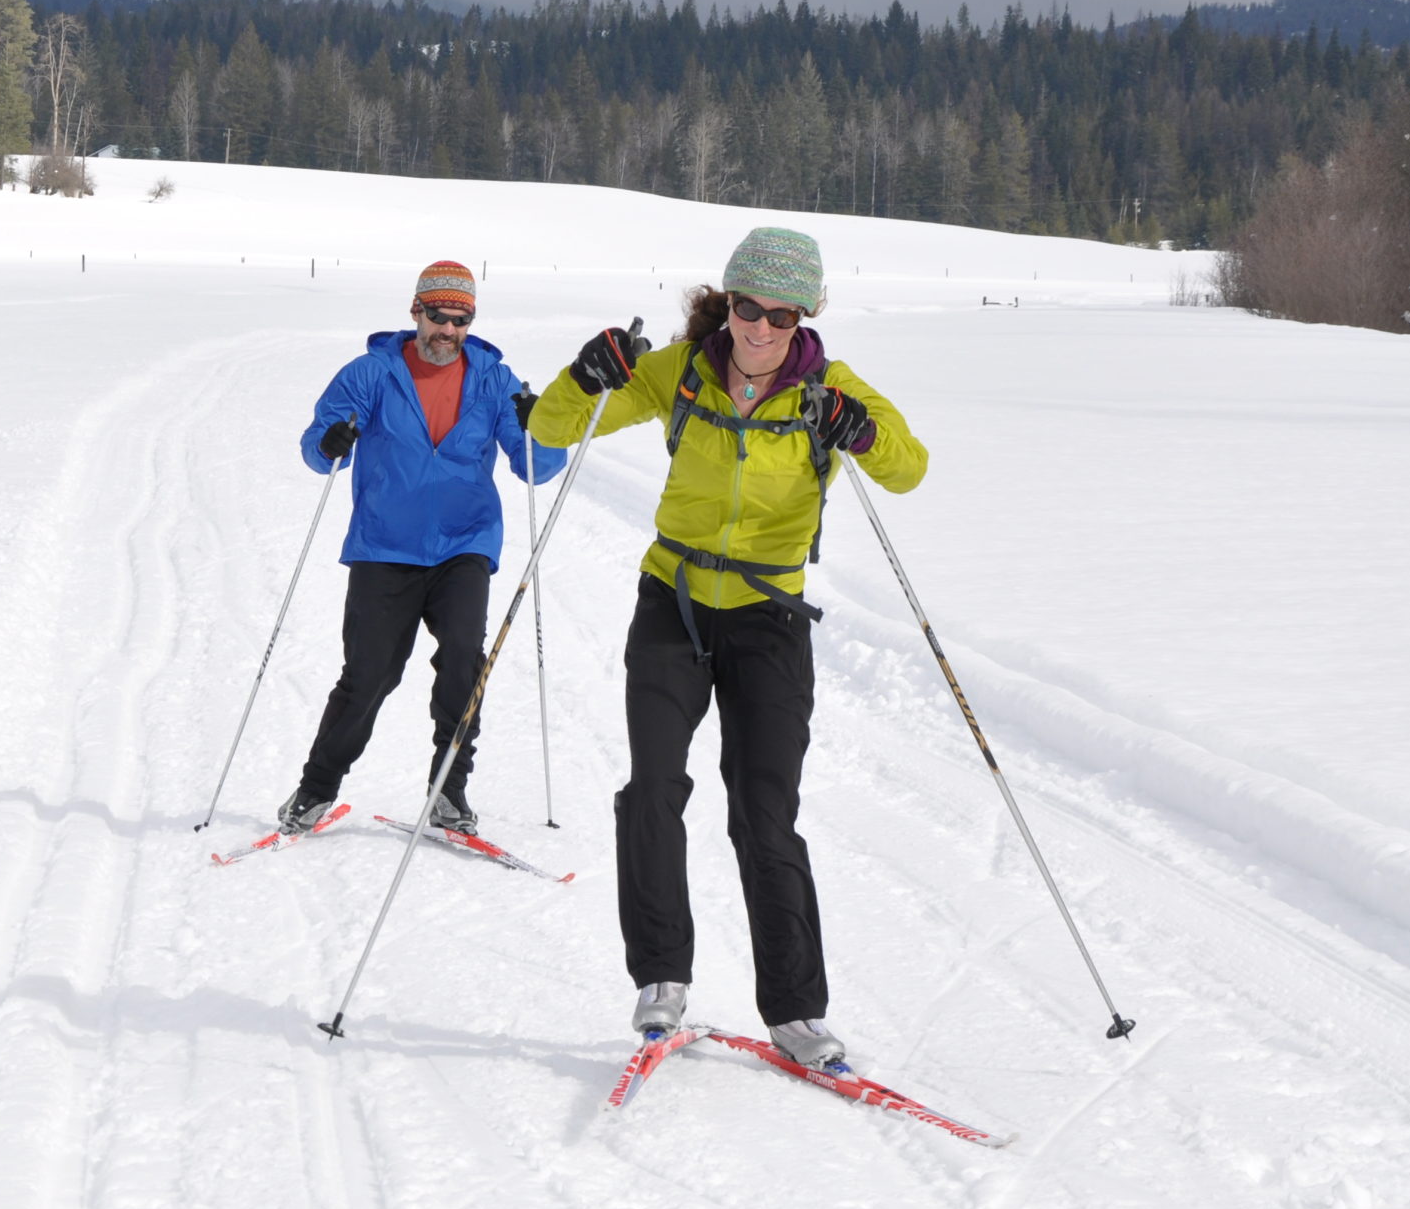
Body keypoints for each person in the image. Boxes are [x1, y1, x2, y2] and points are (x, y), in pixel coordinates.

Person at [525, 227, 926, 1070]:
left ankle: (795, 1013)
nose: (762, 329)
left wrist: (856, 428)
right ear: (729, 302)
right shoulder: (680, 370)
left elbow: (907, 468)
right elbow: (554, 430)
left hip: (768, 617)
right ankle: (661, 979)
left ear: (805, 315)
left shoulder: (826, 388)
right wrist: (586, 373)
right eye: (749, 308)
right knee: (653, 787)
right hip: (671, 603)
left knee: (764, 811)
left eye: (783, 314)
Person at [280, 261, 567, 836]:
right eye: (438, 317)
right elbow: (318, 449)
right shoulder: (371, 373)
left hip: (465, 543)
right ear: (416, 313)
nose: (449, 331)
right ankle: (315, 791)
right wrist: (330, 443)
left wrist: (543, 429)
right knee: (370, 675)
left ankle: (448, 791)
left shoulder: (494, 378)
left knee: (464, 660)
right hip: (385, 544)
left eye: (461, 320)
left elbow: (538, 468)